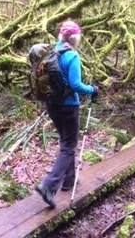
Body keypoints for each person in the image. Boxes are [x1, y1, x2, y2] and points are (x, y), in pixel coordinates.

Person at [35, 20, 98, 208]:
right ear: (75, 38)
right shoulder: (72, 56)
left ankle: (68, 181)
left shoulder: (50, 52)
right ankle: (48, 185)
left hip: (52, 105)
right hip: (69, 106)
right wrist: (92, 89)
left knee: (65, 141)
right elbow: (76, 85)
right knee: (69, 145)